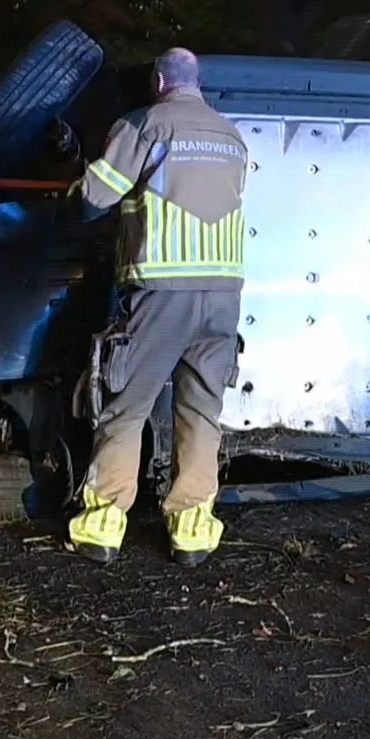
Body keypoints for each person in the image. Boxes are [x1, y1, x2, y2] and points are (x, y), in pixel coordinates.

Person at [64, 47, 249, 567]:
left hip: (161, 295)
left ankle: (101, 527)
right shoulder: (231, 136)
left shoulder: (145, 126)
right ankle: (192, 532)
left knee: (125, 406)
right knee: (201, 411)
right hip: (223, 299)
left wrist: (71, 190)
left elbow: (95, 199)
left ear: (159, 81)